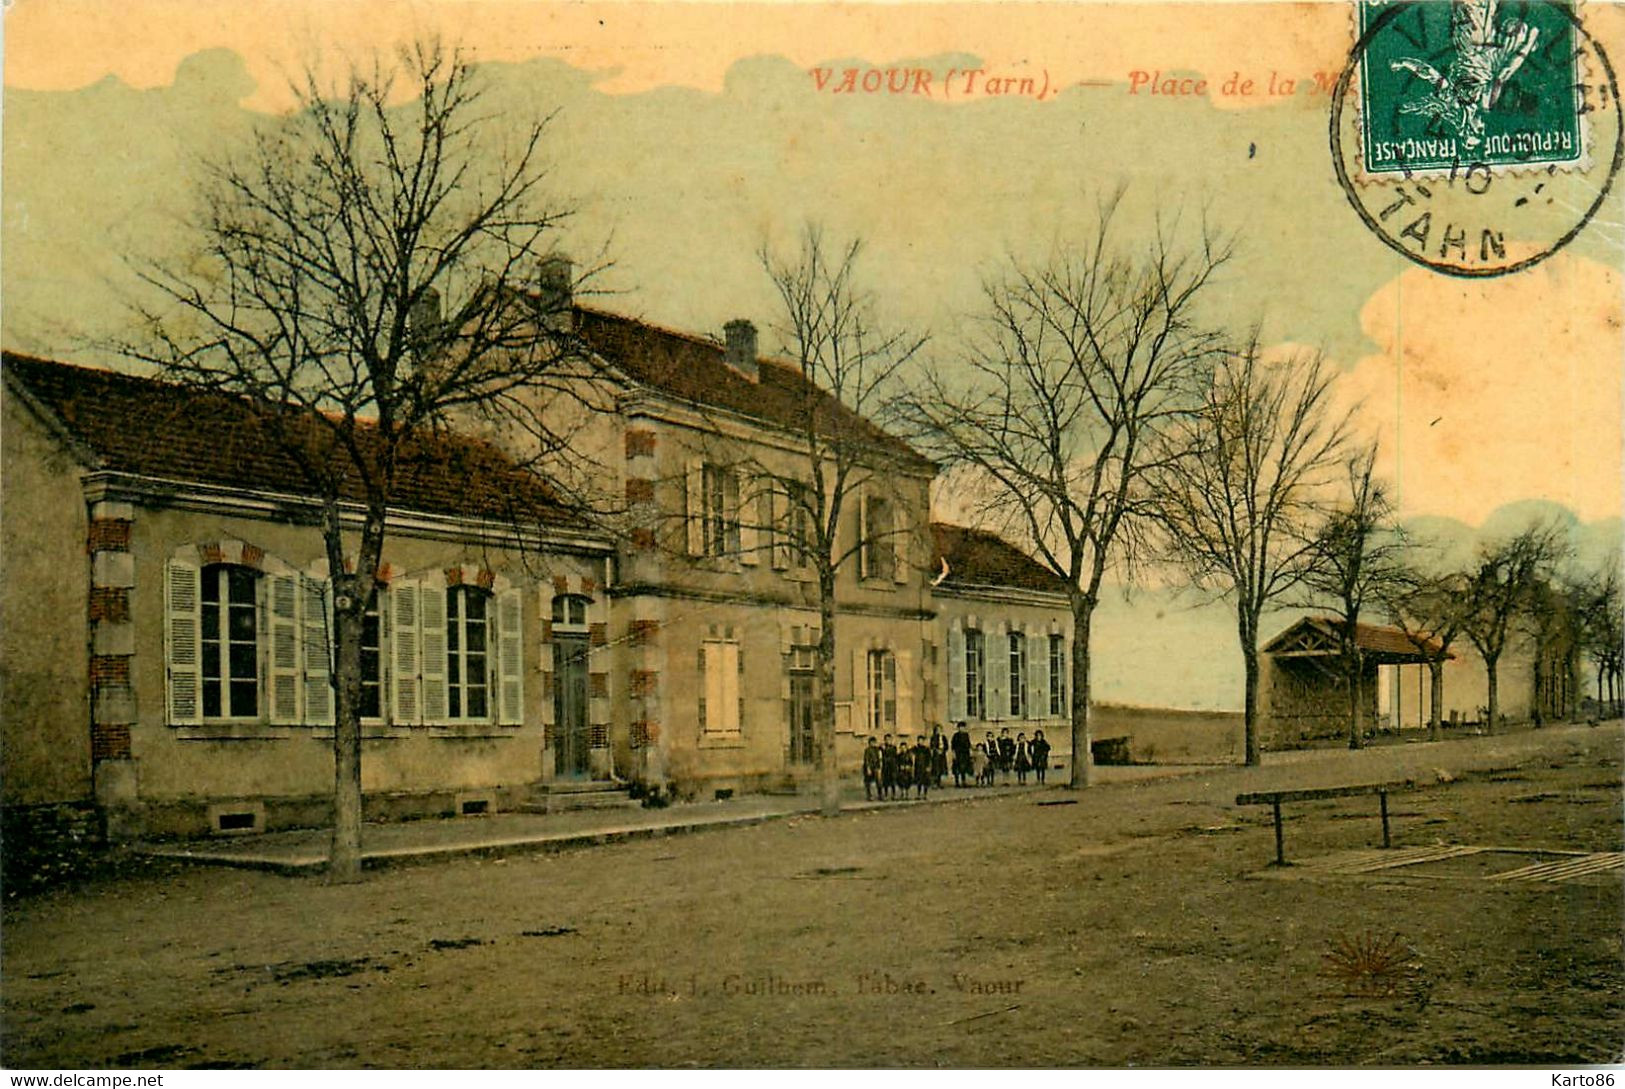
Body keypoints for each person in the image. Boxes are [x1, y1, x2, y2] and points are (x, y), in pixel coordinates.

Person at [950, 721, 973, 787]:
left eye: (963, 727)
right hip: (958, 754)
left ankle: (963, 782)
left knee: (964, 769)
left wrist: (970, 751)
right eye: (960, 727)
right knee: (957, 769)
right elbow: (953, 745)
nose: (962, 729)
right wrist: (954, 753)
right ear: (958, 728)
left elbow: (968, 744)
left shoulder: (966, 735)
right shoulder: (955, 735)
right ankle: (957, 782)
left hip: (965, 754)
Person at [913, 734, 933, 799]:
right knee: (919, 782)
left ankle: (925, 794)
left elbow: (929, 758)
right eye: (919, 741)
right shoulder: (916, 748)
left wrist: (928, 767)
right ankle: (918, 794)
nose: (920, 742)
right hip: (918, 767)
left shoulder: (926, 749)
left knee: (925, 782)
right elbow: (910, 752)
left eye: (921, 741)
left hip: (924, 767)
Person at [862, 735, 882, 801]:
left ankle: (880, 795)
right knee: (868, 782)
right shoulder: (867, 750)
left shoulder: (877, 750)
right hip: (870, 768)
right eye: (871, 742)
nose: (873, 743)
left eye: (874, 742)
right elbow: (866, 760)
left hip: (876, 767)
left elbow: (879, 758)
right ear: (869, 743)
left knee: (879, 782)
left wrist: (879, 768)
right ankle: (869, 795)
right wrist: (868, 768)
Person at [880, 735, 898, 801]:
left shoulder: (894, 748)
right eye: (887, 740)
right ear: (885, 740)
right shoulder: (882, 748)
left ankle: (894, 794)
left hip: (892, 766)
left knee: (893, 781)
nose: (888, 741)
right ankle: (886, 794)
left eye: (889, 740)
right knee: (886, 782)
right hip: (885, 767)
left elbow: (895, 757)